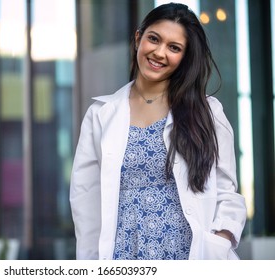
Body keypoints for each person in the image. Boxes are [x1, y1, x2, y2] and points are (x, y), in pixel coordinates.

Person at [69, 3, 247, 260]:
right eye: (154, 39)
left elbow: (227, 191)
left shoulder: (208, 112)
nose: (160, 53)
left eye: (174, 48)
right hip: (124, 256)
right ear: (138, 38)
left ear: (184, 57)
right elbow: (85, 199)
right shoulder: (100, 114)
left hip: (189, 256)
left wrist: (220, 242)